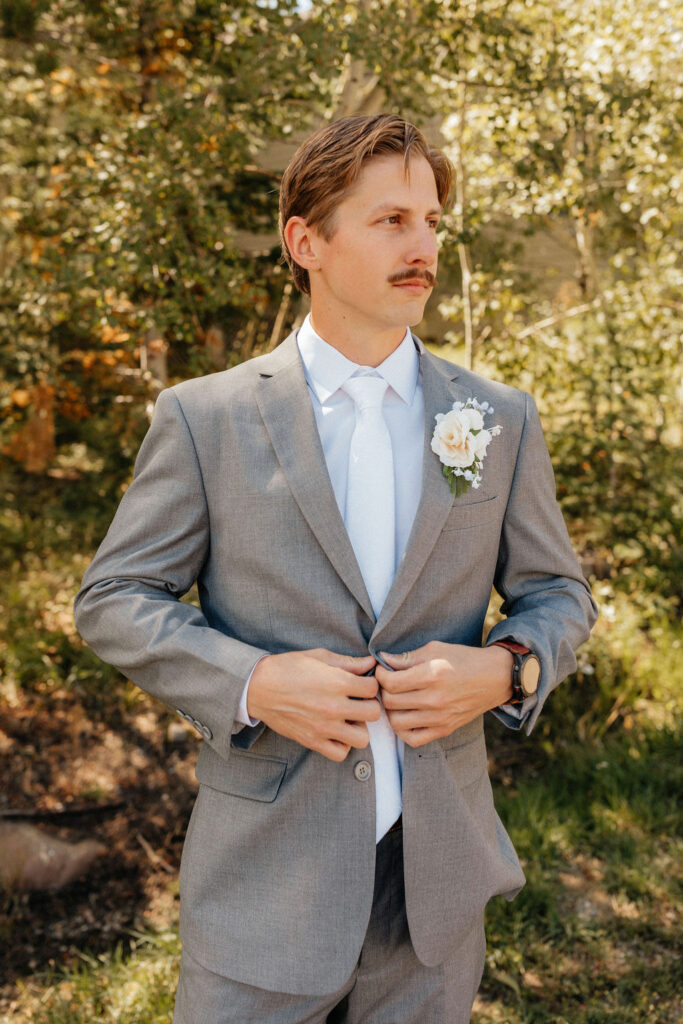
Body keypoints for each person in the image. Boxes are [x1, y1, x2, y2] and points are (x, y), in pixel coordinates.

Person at [74, 114, 597, 1023]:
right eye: (390, 220)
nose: (422, 244)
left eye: (431, 221)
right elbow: (115, 598)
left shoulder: (497, 418)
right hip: (264, 892)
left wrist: (508, 667)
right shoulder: (207, 418)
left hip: (434, 900)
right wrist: (254, 681)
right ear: (305, 241)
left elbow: (558, 593)